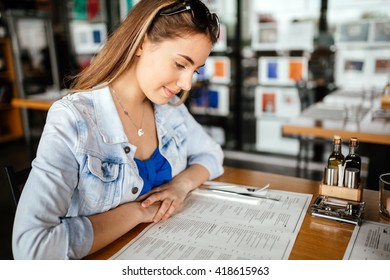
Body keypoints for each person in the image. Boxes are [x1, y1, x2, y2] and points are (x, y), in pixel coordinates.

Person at [12, 0, 224, 260]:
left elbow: (212, 154)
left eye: (195, 70)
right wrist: (138, 212)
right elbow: (31, 249)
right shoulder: (73, 120)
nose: (187, 84)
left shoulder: (170, 109)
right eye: (181, 64)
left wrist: (180, 185)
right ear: (142, 43)